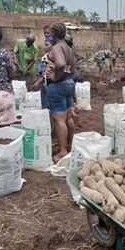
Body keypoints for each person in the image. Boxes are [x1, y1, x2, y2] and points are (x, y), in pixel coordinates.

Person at [41, 23, 76, 162]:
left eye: (50, 33)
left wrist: (55, 76)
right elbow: (73, 68)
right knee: (68, 118)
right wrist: (66, 76)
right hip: (69, 84)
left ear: (54, 34)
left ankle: (62, 152)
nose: (49, 35)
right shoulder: (68, 48)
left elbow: (60, 64)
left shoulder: (56, 47)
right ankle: (69, 146)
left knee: (59, 120)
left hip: (58, 86)